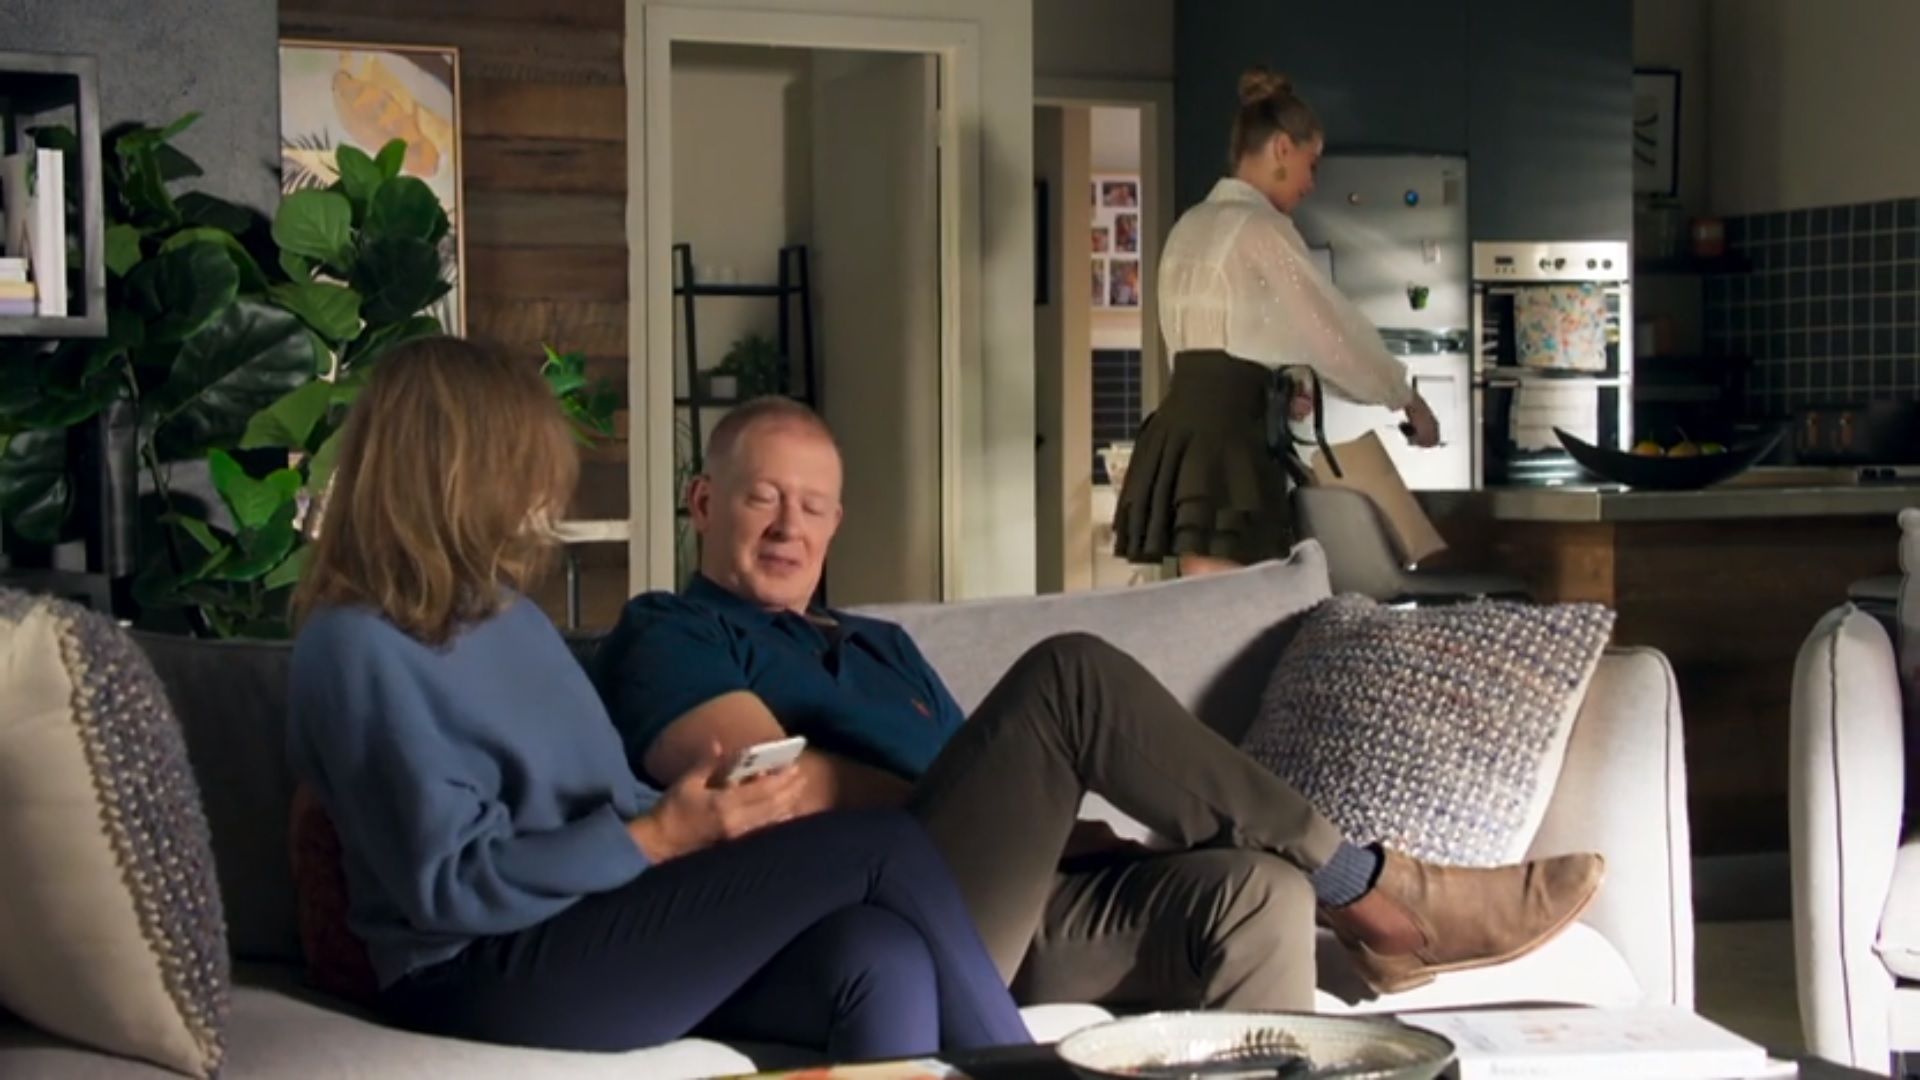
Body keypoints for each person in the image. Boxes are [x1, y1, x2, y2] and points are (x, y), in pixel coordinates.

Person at [593, 398, 1603, 1013]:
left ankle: (1334, 891)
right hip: (870, 924)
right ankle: (1377, 890)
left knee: (1257, 895)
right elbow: (766, 795)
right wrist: (1001, 799)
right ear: (703, 503)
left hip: (1012, 912)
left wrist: (1044, 827)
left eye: (813, 507)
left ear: (837, 522)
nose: (789, 527)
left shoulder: (879, 646)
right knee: (1071, 679)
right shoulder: (670, 631)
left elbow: (969, 794)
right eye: (763, 498)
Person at [285, 338, 1029, 1059]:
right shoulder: (354, 643)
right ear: (456, 470)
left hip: (603, 915)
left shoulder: (507, 616)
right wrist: (659, 837)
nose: (541, 492)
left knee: (877, 953)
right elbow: (447, 887)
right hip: (474, 966)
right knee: (882, 845)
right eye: (524, 464)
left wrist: (702, 814)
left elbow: (604, 797)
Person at [1112, 67, 1443, 578]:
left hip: (1184, 431)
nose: (1312, 184)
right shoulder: (1261, 228)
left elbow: (1212, 347)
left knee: (1207, 604)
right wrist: (1406, 399)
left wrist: (1278, 389)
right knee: (1239, 607)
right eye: (1312, 164)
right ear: (1282, 148)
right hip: (1230, 444)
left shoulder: (1189, 226)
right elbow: (1332, 334)